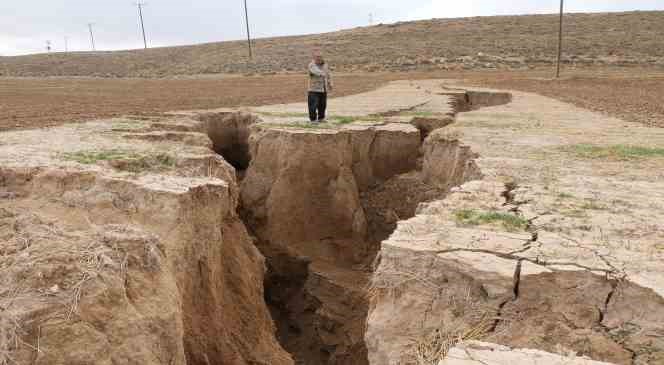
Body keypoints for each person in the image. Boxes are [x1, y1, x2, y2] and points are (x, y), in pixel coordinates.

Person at [307, 51, 333, 123]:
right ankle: (313, 120)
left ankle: (321, 118)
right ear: (314, 57)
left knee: (323, 105)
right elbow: (317, 72)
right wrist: (324, 73)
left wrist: (330, 83)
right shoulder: (311, 65)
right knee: (313, 106)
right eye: (317, 57)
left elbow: (329, 74)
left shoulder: (325, 65)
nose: (319, 58)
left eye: (320, 57)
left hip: (323, 89)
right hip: (313, 89)